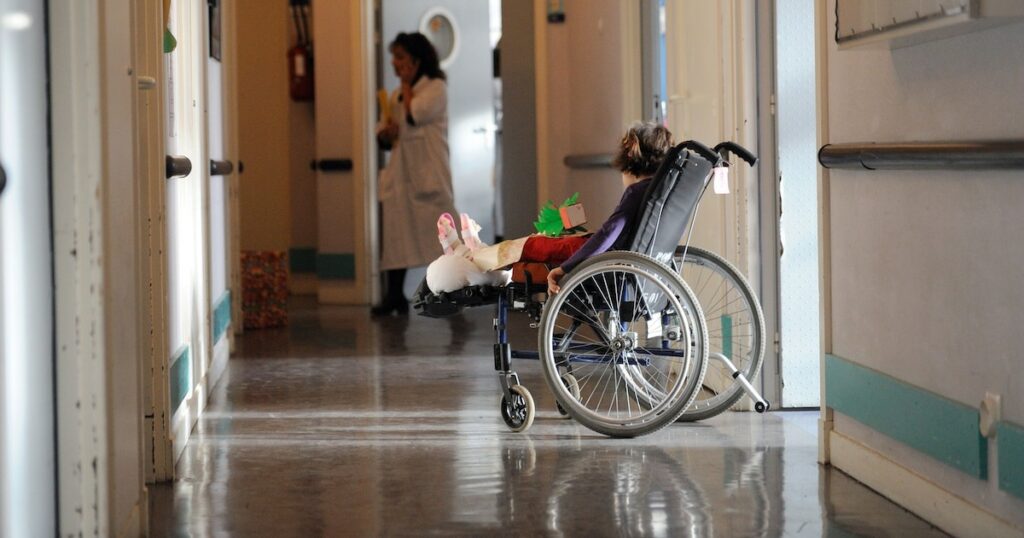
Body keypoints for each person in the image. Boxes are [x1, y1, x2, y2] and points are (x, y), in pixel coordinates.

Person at [437, 122, 674, 296]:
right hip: (613, 255)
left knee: (531, 245)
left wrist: (564, 269)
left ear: (630, 162)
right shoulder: (656, 191)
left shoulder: (636, 192)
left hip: (598, 255)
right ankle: (479, 252)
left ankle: (472, 253)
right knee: (537, 245)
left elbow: (608, 234)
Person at [373, 32, 457, 316]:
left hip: (429, 175)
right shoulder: (398, 94)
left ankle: (454, 295)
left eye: (400, 57)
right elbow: (386, 132)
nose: (395, 64)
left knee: (443, 239)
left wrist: (407, 86)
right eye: (394, 57)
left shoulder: (435, 88)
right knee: (398, 235)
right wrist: (386, 132)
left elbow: (415, 114)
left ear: (416, 60)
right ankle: (394, 295)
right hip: (401, 177)